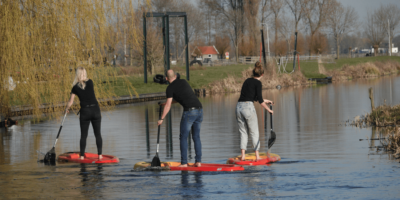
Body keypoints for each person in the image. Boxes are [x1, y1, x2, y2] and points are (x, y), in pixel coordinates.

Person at [158, 69, 203, 167]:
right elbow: (182, 97)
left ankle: (184, 163)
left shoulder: (170, 88)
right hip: (199, 109)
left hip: (189, 112)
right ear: (175, 76)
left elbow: (168, 106)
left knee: (183, 137)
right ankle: (198, 162)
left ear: (166, 78)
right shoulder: (183, 82)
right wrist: (165, 104)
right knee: (196, 136)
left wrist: (161, 119)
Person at [236, 61, 274, 161]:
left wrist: (268, 101)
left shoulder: (247, 81)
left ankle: (243, 156)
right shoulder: (258, 83)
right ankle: (257, 156)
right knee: (254, 132)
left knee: (243, 132)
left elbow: (255, 98)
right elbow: (260, 101)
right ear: (262, 74)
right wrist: (268, 110)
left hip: (239, 107)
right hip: (248, 108)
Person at [65, 67, 103, 160]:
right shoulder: (90, 82)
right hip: (95, 110)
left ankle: (81, 157)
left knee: (83, 135)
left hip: (85, 112)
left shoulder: (75, 87)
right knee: (97, 134)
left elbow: (71, 101)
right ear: (85, 73)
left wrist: (67, 108)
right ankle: (100, 156)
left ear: (77, 74)